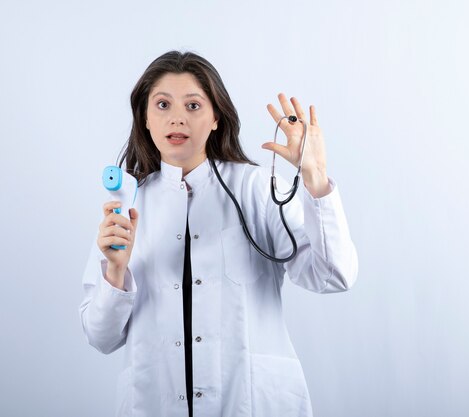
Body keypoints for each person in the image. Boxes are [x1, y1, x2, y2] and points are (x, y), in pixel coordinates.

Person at [79, 50, 358, 417]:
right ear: (145, 118)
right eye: (162, 104)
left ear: (215, 118)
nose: (177, 117)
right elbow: (101, 337)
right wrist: (115, 272)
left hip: (252, 403)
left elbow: (333, 276)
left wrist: (315, 177)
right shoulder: (128, 206)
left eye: (193, 106)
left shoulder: (256, 189)